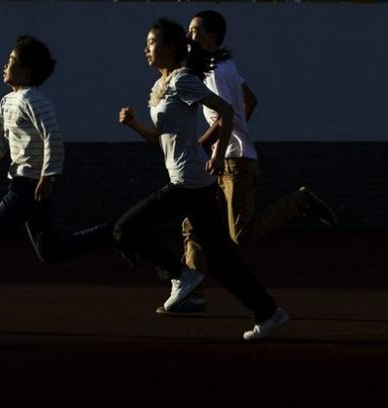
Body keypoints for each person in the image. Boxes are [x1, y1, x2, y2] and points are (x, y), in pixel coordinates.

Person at [115, 18, 289, 340]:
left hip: (188, 183)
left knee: (125, 228)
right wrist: (134, 125)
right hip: (194, 184)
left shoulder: (183, 81)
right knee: (221, 260)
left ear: (168, 47)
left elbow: (225, 111)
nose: (145, 49)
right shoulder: (161, 86)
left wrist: (219, 154)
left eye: (151, 43)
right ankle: (269, 312)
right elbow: (160, 140)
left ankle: (181, 275)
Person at [162, 9, 337, 315]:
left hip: (232, 162)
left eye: (194, 30)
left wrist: (207, 147)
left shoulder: (215, 71)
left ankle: (300, 201)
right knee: (194, 224)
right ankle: (192, 294)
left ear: (211, 36)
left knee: (240, 233)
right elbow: (250, 100)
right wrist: (237, 132)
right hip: (226, 157)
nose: (189, 36)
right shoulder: (227, 66)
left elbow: (224, 113)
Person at [0, 35, 115, 326]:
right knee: (50, 251)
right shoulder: (8, 101)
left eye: (11, 62)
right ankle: (111, 234)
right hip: (29, 185)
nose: (5, 65)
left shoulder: (35, 101)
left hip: (27, 185)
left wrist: (48, 177)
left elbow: (55, 139)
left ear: (26, 72)